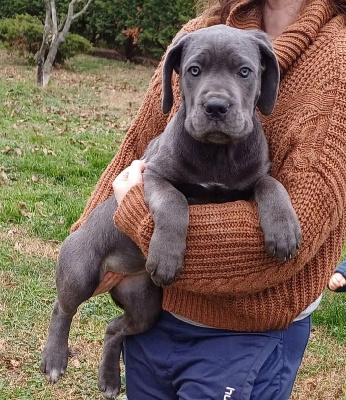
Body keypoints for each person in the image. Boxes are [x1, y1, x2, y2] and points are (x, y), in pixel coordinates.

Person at [72, 0, 346, 398]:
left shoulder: (338, 64)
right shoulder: (202, 29)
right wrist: (88, 247)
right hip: (160, 311)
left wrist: (136, 218)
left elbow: (296, 233)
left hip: (246, 329)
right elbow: (136, 145)